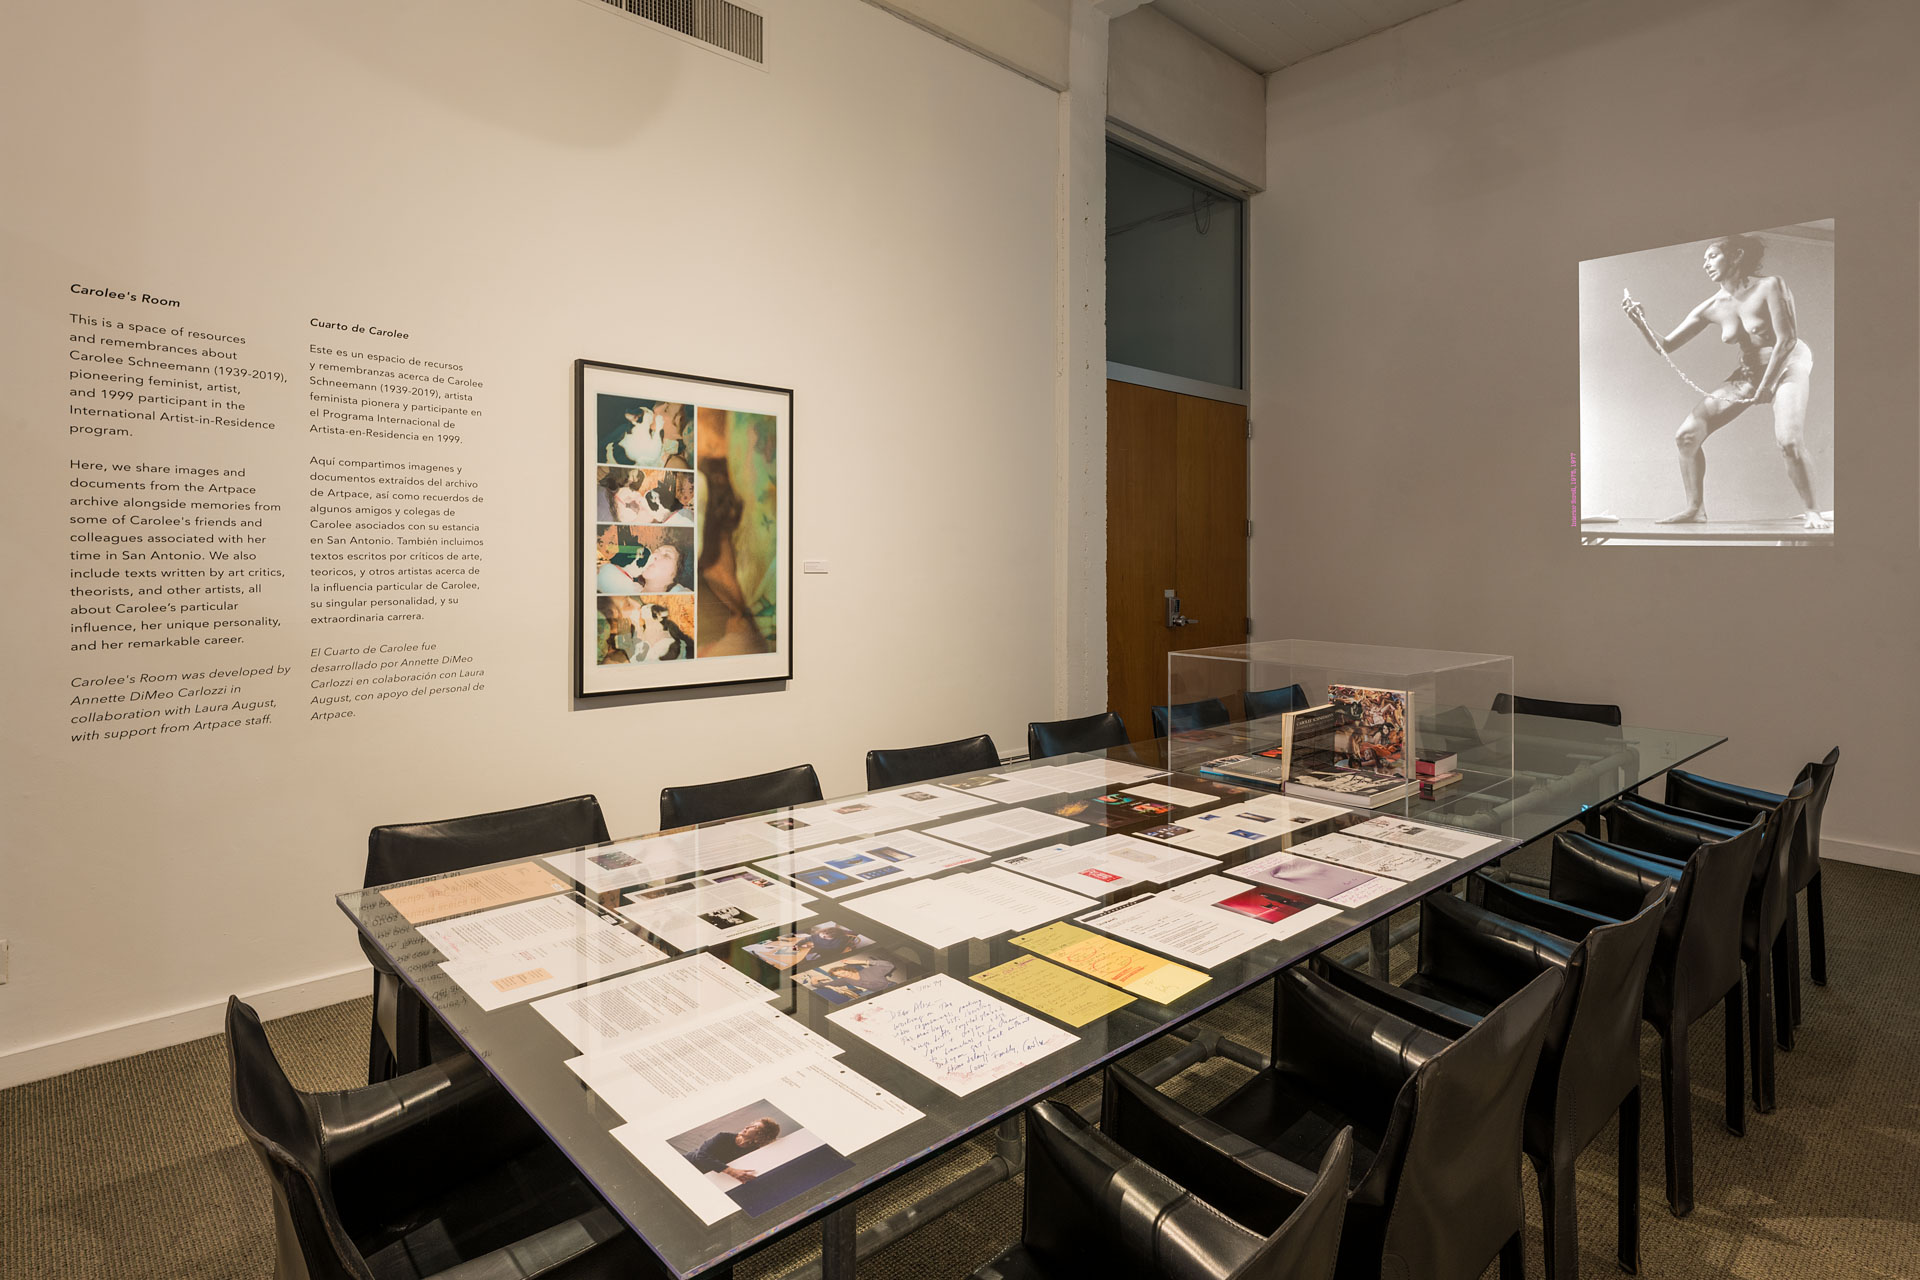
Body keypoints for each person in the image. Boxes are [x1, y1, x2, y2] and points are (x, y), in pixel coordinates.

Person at [1621, 234, 1828, 529]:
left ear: (1737, 255)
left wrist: (1767, 386)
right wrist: (1639, 321)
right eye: (1704, 259)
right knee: (1687, 436)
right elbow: (1665, 345)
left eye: (1712, 256)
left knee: (1789, 441)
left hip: (1788, 361)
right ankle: (1695, 508)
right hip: (1750, 371)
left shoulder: (1771, 285)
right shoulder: (1710, 307)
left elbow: (1787, 339)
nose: (1705, 264)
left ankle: (1812, 511)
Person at [686, 1118, 781, 1182]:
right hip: (687, 1164)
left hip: (706, 1178)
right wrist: (731, 1171)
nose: (747, 1127)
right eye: (751, 1125)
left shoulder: (754, 1152)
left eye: (755, 1127)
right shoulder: (723, 1136)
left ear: (760, 1135)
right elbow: (701, 1156)